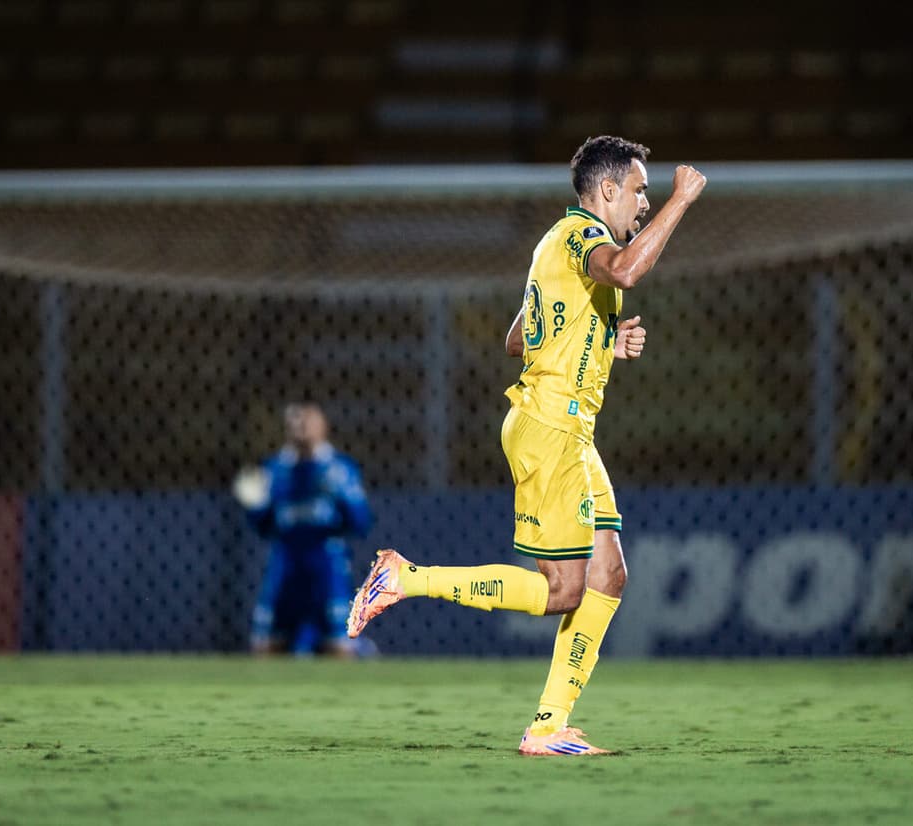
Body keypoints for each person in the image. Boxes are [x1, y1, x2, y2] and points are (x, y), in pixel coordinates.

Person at [347, 136, 706, 754]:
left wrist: (600, 341)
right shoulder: (584, 239)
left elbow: (519, 337)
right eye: (641, 190)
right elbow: (624, 270)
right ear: (608, 190)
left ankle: (549, 727)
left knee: (609, 574)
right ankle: (407, 578)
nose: (645, 202)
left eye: (652, 192)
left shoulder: (555, 243)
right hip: (550, 428)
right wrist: (681, 201)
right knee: (565, 589)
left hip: (569, 430)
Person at [234, 402, 373, 657]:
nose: (301, 428)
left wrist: (343, 495)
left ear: (323, 426)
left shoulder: (339, 469)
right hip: (285, 565)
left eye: (307, 421)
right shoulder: (274, 469)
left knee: (338, 647)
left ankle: (359, 659)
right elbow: (264, 526)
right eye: (295, 422)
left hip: (326, 568)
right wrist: (253, 505)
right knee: (266, 646)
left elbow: (361, 523)